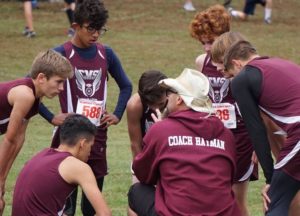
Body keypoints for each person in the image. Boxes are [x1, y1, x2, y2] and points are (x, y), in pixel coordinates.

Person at [38, 0, 132, 215]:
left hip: (96, 137)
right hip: (68, 137)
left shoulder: (106, 53)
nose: (96, 35)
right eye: (91, 28)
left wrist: (117, 114)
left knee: (92, 205)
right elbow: (31, 86)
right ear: (75, 26)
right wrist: (51, 117)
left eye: (100, 29)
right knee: (66, 207)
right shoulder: (61, 53)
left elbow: (126, 86)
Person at [128, 68, 241, 216]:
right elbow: (228, 178)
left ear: (180, 99)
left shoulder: (161, 130)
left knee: (136, 191)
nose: (168, 96)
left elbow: (142, 174)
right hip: (224, 212)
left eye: (171, 92)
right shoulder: (226, 134)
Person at [219, 39, 300, 215]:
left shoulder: (242, 79)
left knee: (274, 200)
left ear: (236, 63)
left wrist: (270, 179)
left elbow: (256, 130)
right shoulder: (283, 63)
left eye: (231, 74)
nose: (232, 79)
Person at [190, 5, 256, 215]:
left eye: (211, 41)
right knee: (213, 198)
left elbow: (257, 104)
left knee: (236, 201)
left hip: (242, 137)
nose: (207, 48)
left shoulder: (242, 64)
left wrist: (258, 144)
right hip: (214, 137)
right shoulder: (202, 62)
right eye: (203, 42)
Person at [0, 49, 73, 215]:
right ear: (41, 78)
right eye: (58, 82)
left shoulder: (34, 98)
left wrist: (3, 177)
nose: (61, 88)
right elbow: (9, 140)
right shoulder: (25, 95)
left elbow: (18, 139)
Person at [12, 114, 111, 216]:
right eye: (91, 146)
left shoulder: (40, 156)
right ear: (82, 143)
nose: (90, 152)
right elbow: (104, 214)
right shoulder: (78, 167)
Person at [126, 70, 167, 183]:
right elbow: (135, 144)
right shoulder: (135, 105)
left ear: (167, 92)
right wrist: (142, 171)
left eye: (160, 104)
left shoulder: (175, 102)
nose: (155, 109)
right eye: (150, 103)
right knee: (138, 194)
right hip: (144, 156)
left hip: (168, 157)